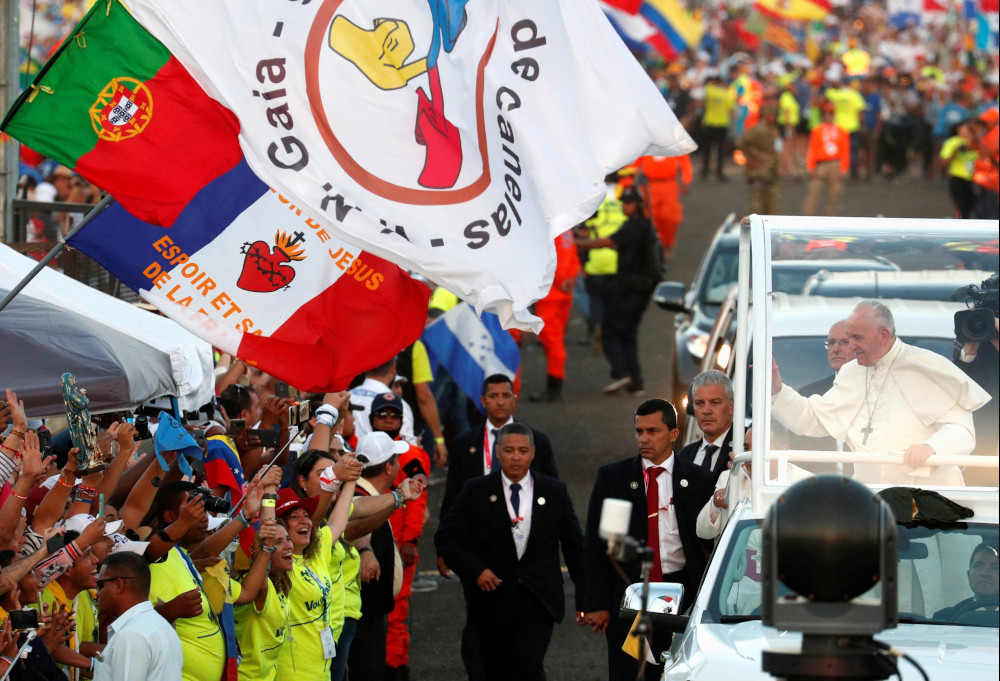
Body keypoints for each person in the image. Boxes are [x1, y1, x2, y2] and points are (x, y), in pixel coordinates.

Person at [771, 300, 991, 485]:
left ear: (884, 336)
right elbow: (812, 420)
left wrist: (932, 447)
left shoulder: (926, 365)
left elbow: (962, 431)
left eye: (857, 338)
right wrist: (778, 390)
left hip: (930, 498)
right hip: (873, 498)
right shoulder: (851, 372)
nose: (852, 346)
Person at [435, 423, 586, 681]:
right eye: (509, 450)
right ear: (497, 452)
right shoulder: (476, 490)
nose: (516, 457)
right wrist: (475, 571)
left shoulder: (554, 491)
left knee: (528, 662)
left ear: (533, 453)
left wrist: (586, 601)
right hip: (491, 599)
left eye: (522, 450)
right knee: (496, 669)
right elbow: (447, 537)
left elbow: (575, 547)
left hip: (538, 598)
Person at [583, 399, 714, 681]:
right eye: (639, 431)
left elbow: (707, 544)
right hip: (630, 598)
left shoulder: (699, 480)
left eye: (652, 431)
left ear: (674, 434)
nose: (644, 438)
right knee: (628, 673)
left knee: (676, 673)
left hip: (682, 597)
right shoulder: (614, 479)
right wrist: (596, 603)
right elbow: (598, 543)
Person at [576, 187, 661, 395]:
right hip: (641, 287)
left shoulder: (632, 227)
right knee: (628, 333)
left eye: (628, 203)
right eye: (623, 202)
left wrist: (575, 243)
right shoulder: (644, 226)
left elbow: (607, 242)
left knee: (610, 330)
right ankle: (636, 381)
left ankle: (621, 373)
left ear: (637, 205)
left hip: (629, 287)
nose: (624, 206)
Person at [93, 552, 182, 681]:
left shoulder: (130, 634)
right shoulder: (163, 626)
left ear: (119, 586)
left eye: (100, 585)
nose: (97, 592)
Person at [529, 228, 580, 403]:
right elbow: (572, 254)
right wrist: (570, 278)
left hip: (551, 293)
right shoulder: (567, 228)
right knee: (555, 340)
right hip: (563, 291)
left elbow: (549, 259)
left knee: (552, 341)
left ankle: (554, 387)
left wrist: (561, 280)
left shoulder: (551, 228)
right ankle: (555, 384)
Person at [678, 370, 736, 484]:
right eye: (699, 403)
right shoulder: (684, 457)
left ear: (731, 406)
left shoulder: (748, 446)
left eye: (715, 403)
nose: (706, 411)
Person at [351, 357, 416, 442]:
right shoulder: (400, 405)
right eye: (382, 414)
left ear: (365, 367)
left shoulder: (347, 396)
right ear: (393, 368)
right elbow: (406, 447)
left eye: (393, 416)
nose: (388, 420)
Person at [803, 101, 850, 216]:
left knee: (834, 195)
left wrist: (843, 168)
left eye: (831, 113)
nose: (828, 116)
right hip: (821, 164)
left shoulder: (842, 131)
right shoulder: (817, 131)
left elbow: (845, 151)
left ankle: (831, 220)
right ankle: (806, 219)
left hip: (835, 163)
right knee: (813, 193)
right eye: (826, 114)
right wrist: (810, 166)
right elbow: (812, 149)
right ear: (823, 115)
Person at [933, 543, 998, 621]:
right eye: (978, 566)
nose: (984, 573)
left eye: (995, 568)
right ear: (968, 575)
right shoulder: (945, 617)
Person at [736, 100, 781, 215]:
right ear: (765, 115)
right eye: (771, 115)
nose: (773, 117)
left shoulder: (774, 129)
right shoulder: (758, 129)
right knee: (757, 201)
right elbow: (741, 142)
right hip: (759, 170)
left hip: (770, 169)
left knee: (771, 199)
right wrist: (750, 159)